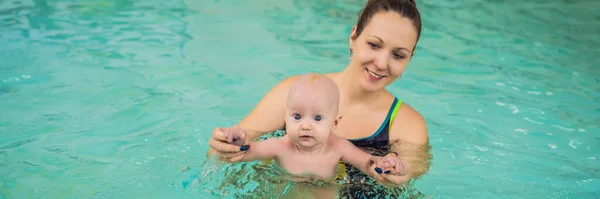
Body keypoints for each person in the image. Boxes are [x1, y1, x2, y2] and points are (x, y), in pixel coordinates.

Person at [208, 0, 431, 197]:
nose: (382, 63)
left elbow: (411, 172)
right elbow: (229, 151)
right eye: (374, 45)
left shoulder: (408, 124)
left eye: (398, 55)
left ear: (410, 58)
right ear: (354, 36)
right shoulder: (295, 92)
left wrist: (399, 170)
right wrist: (226, 145)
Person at [222, 73, 394, 181]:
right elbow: (247, 152)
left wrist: (385, 164)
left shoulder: (339, 147)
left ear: (334, 123)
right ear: (285, 118)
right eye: (297, 117)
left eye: (317, 118)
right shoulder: (279, 146)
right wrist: (237, 140)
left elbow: (367, 164)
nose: (305, 126)